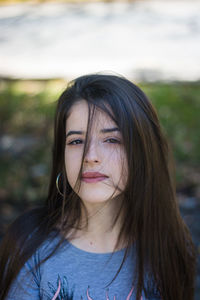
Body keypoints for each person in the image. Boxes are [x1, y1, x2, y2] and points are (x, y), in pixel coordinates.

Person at [0, 74, 197, 300]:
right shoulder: (30, 244)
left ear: (143, 153)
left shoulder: (169, 246)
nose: (91, 156)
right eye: (76, 141)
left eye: (112, 139)